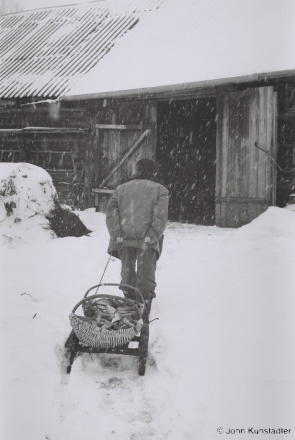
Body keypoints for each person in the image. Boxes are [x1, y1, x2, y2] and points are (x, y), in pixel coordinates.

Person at [106, 159, 169, 318]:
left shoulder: (121, 189)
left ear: (136, 170)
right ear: (154, 172)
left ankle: (129, 301)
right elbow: (160, 216)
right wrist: (153, 235)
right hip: (146, 239)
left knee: (127, 271)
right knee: (146, 272)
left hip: (124, 239)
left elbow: (111, 213)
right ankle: (143, 306)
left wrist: (116, 234)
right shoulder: (160, 189)